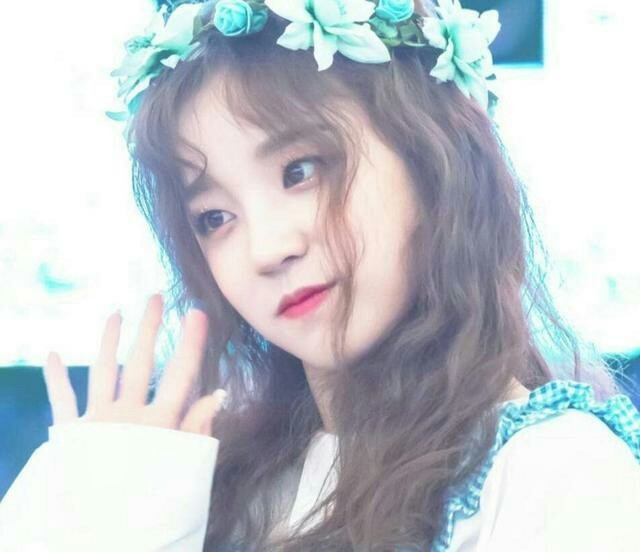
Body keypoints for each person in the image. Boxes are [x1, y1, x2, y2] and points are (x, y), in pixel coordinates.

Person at [1, 0, 639, 550]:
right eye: (215, 217)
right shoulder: (222, 483)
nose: (266, 249)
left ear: (433, 160)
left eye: (300, 171)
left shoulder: (556, 472)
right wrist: (96, 510)